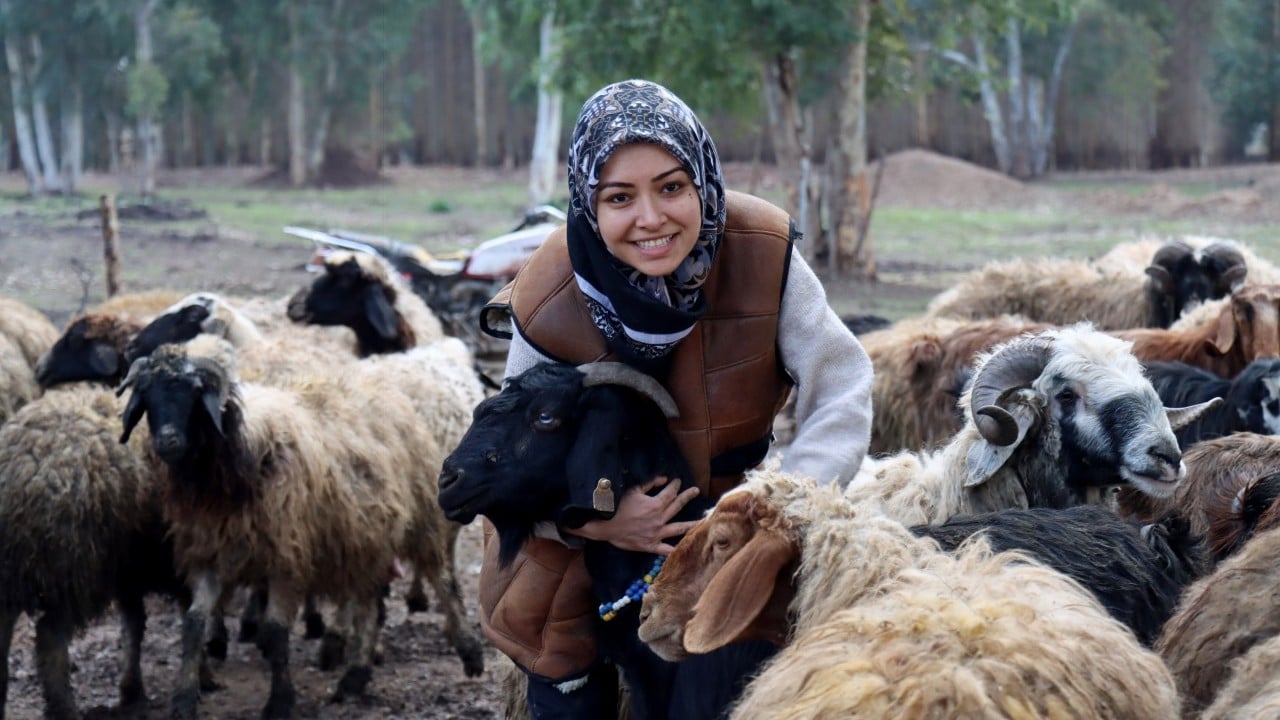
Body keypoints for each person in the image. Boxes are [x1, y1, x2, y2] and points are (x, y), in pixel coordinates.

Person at [476, 78, 873, 718]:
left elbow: (843, 383)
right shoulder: (550, 290)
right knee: (565, 670)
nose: (652, 218)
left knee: (729, 685)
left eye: (670, 187)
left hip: (728, 524)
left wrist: (780, 505)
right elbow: (512, 449)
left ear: (702, 182)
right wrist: (598, 518)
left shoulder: (761, 250)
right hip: (578, 530)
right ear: (587, 202)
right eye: (620, 197)